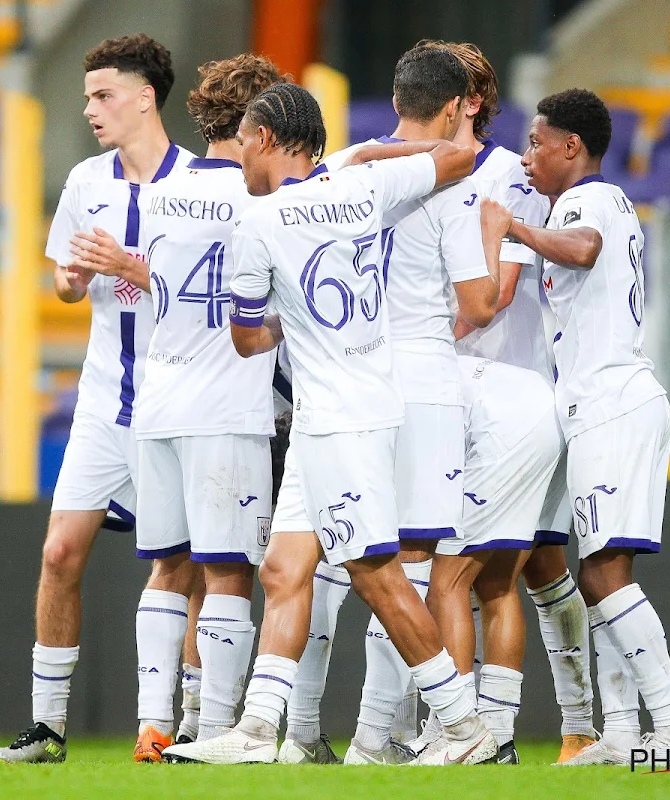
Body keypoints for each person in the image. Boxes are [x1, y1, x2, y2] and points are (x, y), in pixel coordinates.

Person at [160, 83, 494, 766]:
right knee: (286, 568)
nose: (241, 162)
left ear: (260, 140)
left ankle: (465, 729)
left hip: (339, 418)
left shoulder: (261, 222)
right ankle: (257, 731)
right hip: (357, 406)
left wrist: (287, 316)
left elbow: (248, 341)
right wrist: (385, 151)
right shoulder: (366, 186)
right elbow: (457, 156)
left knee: (376, 573)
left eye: (245, 145)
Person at [0, 33, 196, 764]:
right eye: (87, 96)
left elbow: (207, 301)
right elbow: (66, 282)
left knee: (184, 566)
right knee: (58, 553)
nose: (91, 109)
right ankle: (47, 728)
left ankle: (179, 722)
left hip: (177, 404)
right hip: (105, 403)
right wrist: (74, 281)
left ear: (145, 97)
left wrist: (132, 265)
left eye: (103, 95)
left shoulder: (202, 186)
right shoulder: (85, 183)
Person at [481, 87, 670, 764]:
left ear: (571, 147)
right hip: (595, 404)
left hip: (613, 400)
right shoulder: (581, 201)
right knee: (598, 567)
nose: (528, 157)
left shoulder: (590, 199)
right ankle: (622, 732)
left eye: (537, 143)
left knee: (606, 572)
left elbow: (579, 249)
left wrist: (512, 227)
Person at [292, 42, 499, 765]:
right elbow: (477, 300)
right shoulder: (454, 185)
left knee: (354, 558)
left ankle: (309, 729)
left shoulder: (346, 165)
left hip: (356, 379)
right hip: (426, 379)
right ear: (453, 108)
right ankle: (378, 739)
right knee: (411, 562)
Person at [415, 39, 596, 765]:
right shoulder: (424, 173)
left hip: (509, 397)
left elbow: (493, 297)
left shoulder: (505, 178)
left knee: (486, 571)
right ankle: (526, 729)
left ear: (465, 102)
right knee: (520, 573)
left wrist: (418, 338)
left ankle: (486, 731)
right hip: (461, 397)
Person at [130, 54, 286, 760]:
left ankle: (155, 722)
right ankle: (218, 726)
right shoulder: (263, 203)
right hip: (228, 406)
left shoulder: (157, 193)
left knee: (168, 567)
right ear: (261, 123)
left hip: (158, 403)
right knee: (228, 569)